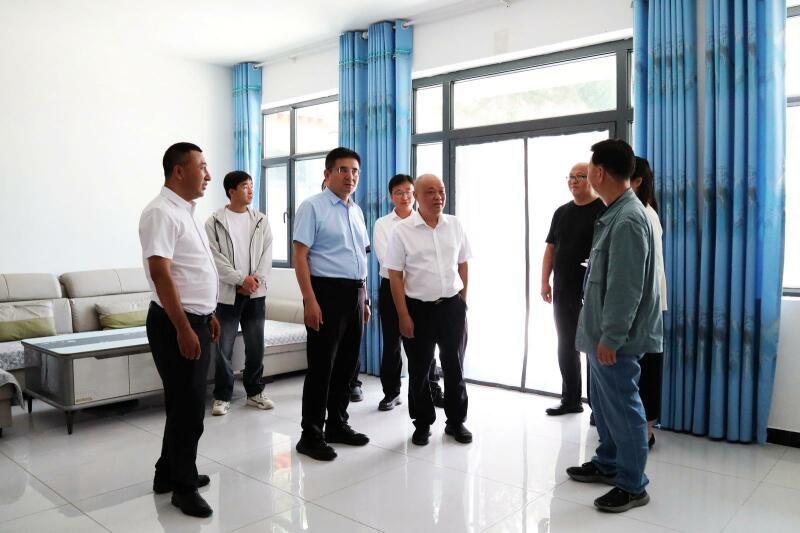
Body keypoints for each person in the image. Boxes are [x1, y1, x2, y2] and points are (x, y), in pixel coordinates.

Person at [565, 139, 662, 513]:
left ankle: (633, 485)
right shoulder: (615, 211)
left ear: (599, 172)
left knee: (623, 407)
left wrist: (612, 337)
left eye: (589, 168)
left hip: (614, 338)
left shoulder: (629, 219)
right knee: (604, 405)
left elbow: (625, 287)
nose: (587, 173)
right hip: (599, 332)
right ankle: (607, 461)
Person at [139, 142, 221, 518]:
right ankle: (183, 489)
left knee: (182, 406)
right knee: (189, 411)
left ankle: (167, 473)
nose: (208, 175)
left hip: (195, 320)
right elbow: (162, 274)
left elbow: (193, 271)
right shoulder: (160, 212)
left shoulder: (185, 211)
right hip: (176, 324)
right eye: (202, 167)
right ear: (179, 171)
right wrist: (184, 328)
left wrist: (209, 313)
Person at [292, 146, 371, 461]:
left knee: (347, 366)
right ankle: (310, 435)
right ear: (327, 174)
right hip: (326, 293)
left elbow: (360, 257)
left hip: (355, 293)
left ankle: (337, 424)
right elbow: (300, 257)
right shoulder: (312, 206)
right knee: (322, 368)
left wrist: (365, 298)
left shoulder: (357, 210)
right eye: (343, 170)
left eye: (355, 171)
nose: (350, 176)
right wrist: (309, 300)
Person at [385, 174, 472, 446]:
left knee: (454, 366)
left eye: (441, 191)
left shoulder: (454, 225)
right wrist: (403, 315)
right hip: (418, 310)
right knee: (420, 369)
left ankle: (456, 421)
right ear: (417, 197)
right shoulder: (402, 231)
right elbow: (395, 274)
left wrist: (463, 300)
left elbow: (463, 263)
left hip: (452, 308)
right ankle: (422, 423)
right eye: (430, 192)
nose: (438, 197)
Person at [373, 174, 445, 411]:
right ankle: (391, 393)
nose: (405, 197)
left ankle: (432, 389)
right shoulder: (383, 224)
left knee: (427, 342)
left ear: (415, 194)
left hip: (420, 290)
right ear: (391, 196)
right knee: (392, 343)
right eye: (399, 193)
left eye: (408, 192)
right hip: (391, 289)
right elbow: (388, 261)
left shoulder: (424, 221)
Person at [205, 171, 274, 417]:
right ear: (231, 191)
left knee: (256, 347)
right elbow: (214, 258)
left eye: (251, 186)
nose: (250, 190)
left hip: (255, 294)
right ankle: (222, 396)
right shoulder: (214, 222)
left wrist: (254, 281)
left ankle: (254, 392)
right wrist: (240, 280)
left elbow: (267, 255)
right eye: (245, 186)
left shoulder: (261, 220)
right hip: (227, 294)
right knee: (223, 347)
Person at [541, 162, 604, 416]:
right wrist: (544, 281)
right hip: (562, 290)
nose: (574, 181)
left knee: (593, 348)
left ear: (592, 179)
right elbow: (550, 248)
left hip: (592, 292)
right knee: (566, 344)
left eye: (580, 176)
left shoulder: (603, 210)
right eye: (570, 176)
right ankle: (570, 399)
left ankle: (598, 407)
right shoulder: (561, 212)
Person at [631, 156, 667, 449]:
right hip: (642, 301)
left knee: (647, 367)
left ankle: (646, 430)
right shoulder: (637, 211)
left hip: (646, 303)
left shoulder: (644, 214)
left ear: (637, 181)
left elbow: (648, 267)